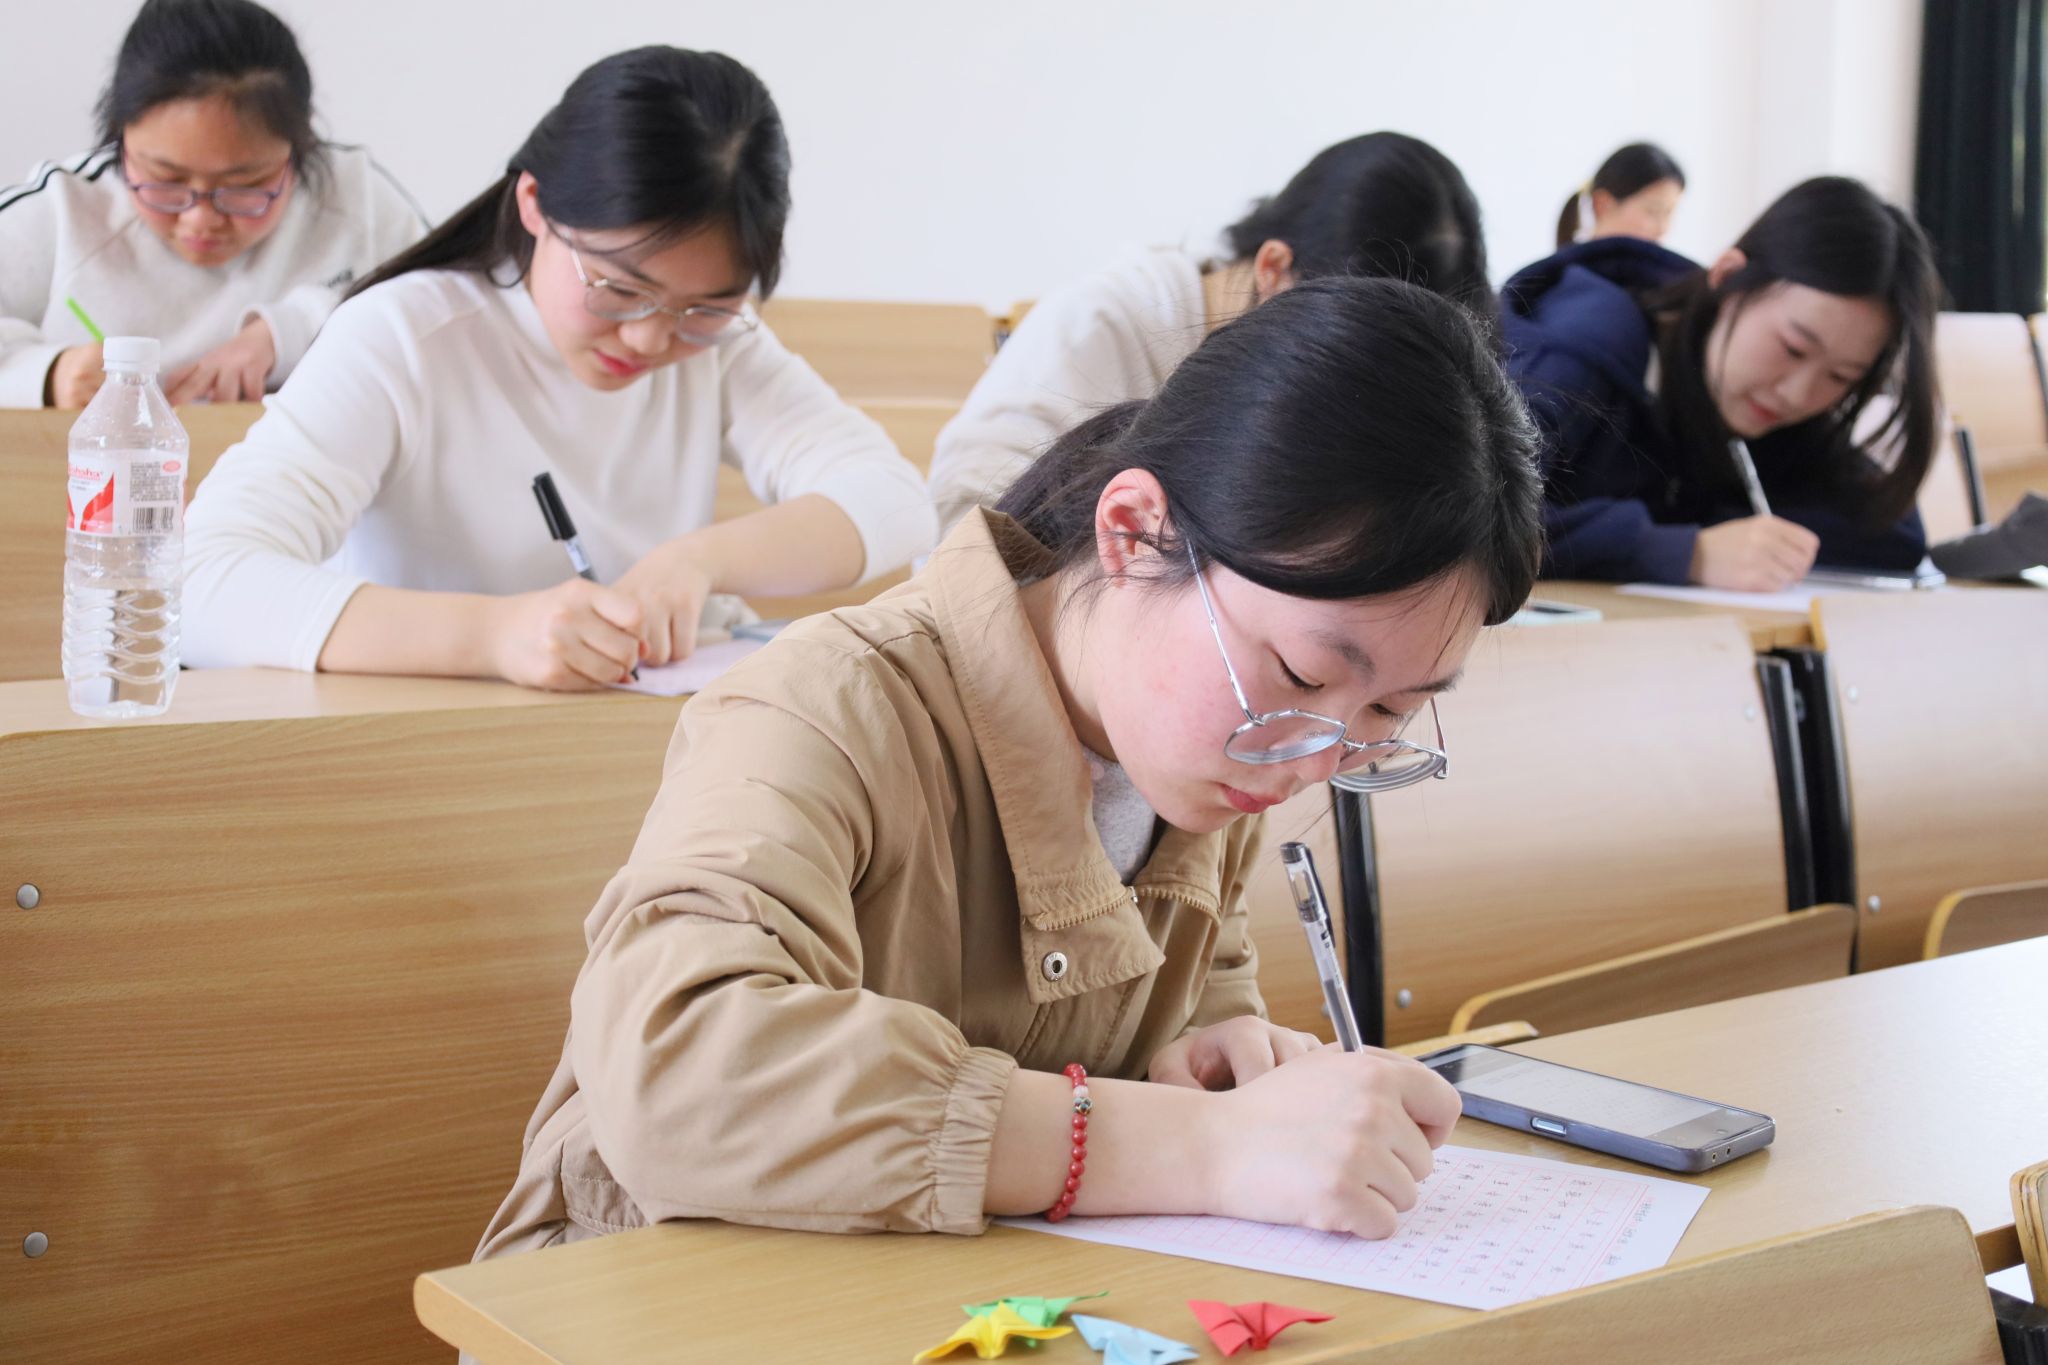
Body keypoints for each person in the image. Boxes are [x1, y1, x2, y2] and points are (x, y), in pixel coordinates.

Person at [471, 274, 1544, 1263]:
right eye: (1304, 673)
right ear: (1133, 532)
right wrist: (1197, 1145)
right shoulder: (826, 704)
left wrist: (1223, 1052)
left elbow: (1200, 992)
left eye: (1387, 711)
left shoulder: (1217, 756)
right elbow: (678, 1074)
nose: (1314, 758)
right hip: (643, 1296)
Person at [182, 47, 935, 685]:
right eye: (619, 288)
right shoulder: (404, 336)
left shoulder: (718, 345)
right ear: (535, 203)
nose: (650, 339)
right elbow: (200, 581)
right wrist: (494, 637)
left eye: (704, 307)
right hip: (422, 753)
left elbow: (895, 502)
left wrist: (697, 561)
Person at [926, 132, 1495, 534]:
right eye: (1347, 340)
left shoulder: (1290, 378)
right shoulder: (1102, 324)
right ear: (1273, 269)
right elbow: (964, 523)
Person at [1504, 176, 1940, 588]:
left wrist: (1727, 529)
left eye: (1842, 376)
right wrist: (1684, 550)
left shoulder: (1767, 401)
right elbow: (1485, 519)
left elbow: (1894, 530)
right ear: (1729, 278)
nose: (1798, 394)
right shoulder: (1578, 351)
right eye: (1793, 349)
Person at [0, 0, 423, 408]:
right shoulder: (65, 210)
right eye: (166, 181)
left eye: (244, 186)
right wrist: (47, 375)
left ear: (299, 153)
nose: (200, 220)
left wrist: (292, 332)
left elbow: (439, 311)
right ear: (120, 139)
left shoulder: (352, 198)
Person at [1555, 142, 1686, 249]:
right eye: (1653, 211)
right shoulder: (1568, 272)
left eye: (1668, 213)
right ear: (1602, 205)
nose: (1662, 229)